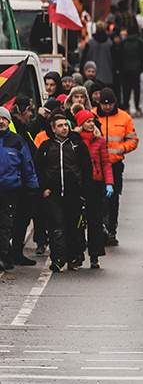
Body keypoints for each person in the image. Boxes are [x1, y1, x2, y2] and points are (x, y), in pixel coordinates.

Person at [35, 114, 92, 272]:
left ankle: (75, 257)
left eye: (65, 125)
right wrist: (44, 188)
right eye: (59, 126)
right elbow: (38, 168)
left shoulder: (77, 145)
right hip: (53, 194)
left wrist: (84, 192)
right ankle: (58, 259)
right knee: (56, 227)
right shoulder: (46, 147)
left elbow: (87, 169)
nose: (64, 128)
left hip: (73, 194)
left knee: (74, 227)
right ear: (53, 128)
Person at [93, 88, 138, 246]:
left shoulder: (124, 117)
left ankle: (111, 230)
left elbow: (133, 140)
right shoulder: (92, 115)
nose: (106, 107)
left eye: (109, 104)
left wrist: (122, 148)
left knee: (113, 200)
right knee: (97, 200)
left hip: (114, 165)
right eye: (104, 104)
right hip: (96, 166)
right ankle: (98, 230)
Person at [0, 106, 39, 269]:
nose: (1, 121)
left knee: (5, 225)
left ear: (8, 121)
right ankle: (6, 257)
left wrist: (33, 186)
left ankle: (3, 257)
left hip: (10, 190)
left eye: (4, 119)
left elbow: (27, 165)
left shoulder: (17, 141)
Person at [74, 110, 113, 268]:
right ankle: (77, 253)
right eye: (87, 121)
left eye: (92, 121)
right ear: (81, 123)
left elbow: (106, 163)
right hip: (79, 184)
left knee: (95, 221)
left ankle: (95, 255)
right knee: (78, 221)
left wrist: (109, 182)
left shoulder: (100, 141)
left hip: (95, 183)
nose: (91, 124)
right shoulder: (75, 140)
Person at [10, 98, 44, 266]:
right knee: (17, 220)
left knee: (21, 220)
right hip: (17, 184)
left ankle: (15, 252)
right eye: (29, 111)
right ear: (21, 112)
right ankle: (12, 253)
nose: (31, 114)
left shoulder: (23, 129)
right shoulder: (15, 129)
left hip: (24, 183)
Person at [119, 24, 143, 117]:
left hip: (125, 71)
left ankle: (127, 108)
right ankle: (137, 108)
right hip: (137, 70)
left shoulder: (123, 42)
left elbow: (118, 56)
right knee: (137, 90)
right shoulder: (140, 42)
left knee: (126, 90)